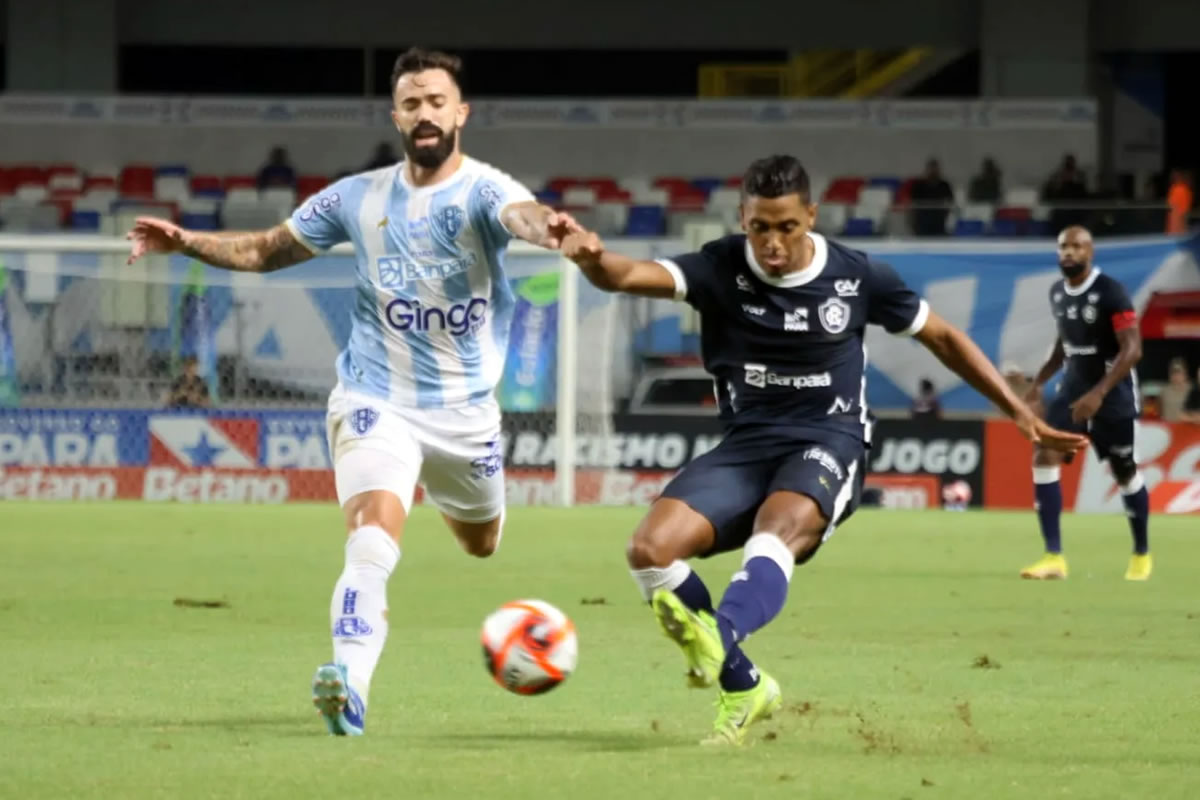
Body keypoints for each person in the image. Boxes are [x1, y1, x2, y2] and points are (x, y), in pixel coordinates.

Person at [559, 154, 1087, 746]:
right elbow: (627, 275)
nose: (773, 242)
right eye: (760, 227)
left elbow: (942, 336)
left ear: (811, 215)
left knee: (774, 531)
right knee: (649, 551)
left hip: (828, 439)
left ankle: (719, 637)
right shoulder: (719, 266)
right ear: (742, 219)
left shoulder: (856, 276)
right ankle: (745, 684)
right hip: (746, 445)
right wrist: (592, 258)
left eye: (787, 226)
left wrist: (1017, 410)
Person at [127, 47, 579, 737]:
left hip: (464, 414)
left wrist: (551, 229)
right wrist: (186, 241)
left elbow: (521, 214)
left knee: (482, 543)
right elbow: (267, 250)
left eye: (436, 101)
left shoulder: (484, 190)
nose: (424, 113)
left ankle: (437, 498)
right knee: (371, 537)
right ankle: (350, 689)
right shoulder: (355, 197)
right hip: (376, 398)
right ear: (395, 116)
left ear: (460, 112)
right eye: (411, 103)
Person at [1020, 226, 1150, 582]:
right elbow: (1064, 344)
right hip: (1072, 391)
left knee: (1124, 471)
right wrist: (1038, 383)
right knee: (1044, 454)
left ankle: (1141, 553)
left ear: (1090, 252)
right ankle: (1053, 556)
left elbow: (1133, 350)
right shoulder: (1057, 292)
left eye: (1076, 246)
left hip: (1113, 396)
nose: (1069, 252)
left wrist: (1099, 393)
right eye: (1063, 246)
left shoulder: (1110, 291)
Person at [908, 158, 954, 236]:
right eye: (931, 169)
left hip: (940, 220)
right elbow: (913, 204)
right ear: (926, 170)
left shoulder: (944, 185)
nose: (933, 172)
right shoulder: (919, 185)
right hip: (923, 221)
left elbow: (950, 202)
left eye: (935, 169)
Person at [1166, 169, 1193, 235]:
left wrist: (1183, 228)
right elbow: (1170, 205)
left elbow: (1185, 212)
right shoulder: (1173, 188)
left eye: (1176, 175)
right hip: (1171, 225)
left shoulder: (1183, 190)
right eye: (1173, 175)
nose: (1174, 177)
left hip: (1178, 227)